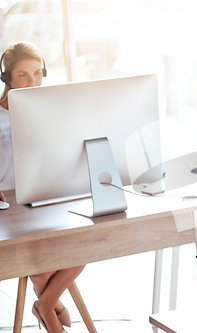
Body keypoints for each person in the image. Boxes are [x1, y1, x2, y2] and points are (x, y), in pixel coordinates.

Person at [0, 42, 84, 333]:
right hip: (9, 207)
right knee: (43, 259)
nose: (32, 81)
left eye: (37, 73)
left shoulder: (49, 111)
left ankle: (46, 303)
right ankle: (50, 312)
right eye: (23, 74)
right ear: (7, 78)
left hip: (45, 198)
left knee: (88, 240)